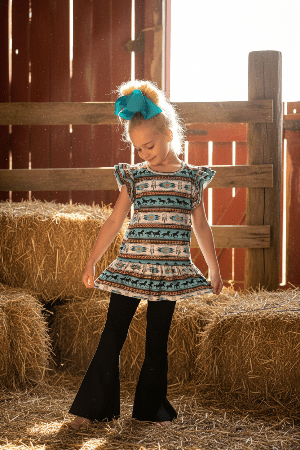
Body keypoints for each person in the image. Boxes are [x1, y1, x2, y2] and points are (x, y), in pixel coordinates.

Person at [69, 80, 223, 430]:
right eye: (138, 149)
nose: (144, 154)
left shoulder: (190, 179)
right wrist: (92, 260)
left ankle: (149, 411)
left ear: (169, 133)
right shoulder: (135, 177)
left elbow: (202, 227)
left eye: (149, 146)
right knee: (113, 335)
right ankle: (93, 409)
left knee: (157, 341)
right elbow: (113, 220)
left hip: (169, 275)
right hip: (131, 270)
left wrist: (213, 268)